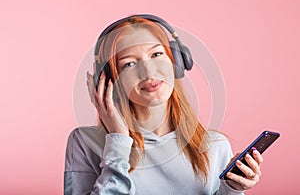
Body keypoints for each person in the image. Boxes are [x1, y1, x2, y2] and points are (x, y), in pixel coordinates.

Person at [64, 14, 263, 195]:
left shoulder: (215, 146)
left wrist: (232, 190)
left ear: (177, 61)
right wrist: (118, 141)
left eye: (157, 55)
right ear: (109, 80)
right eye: (129, 64)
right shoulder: (85, 143)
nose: (148, 72)